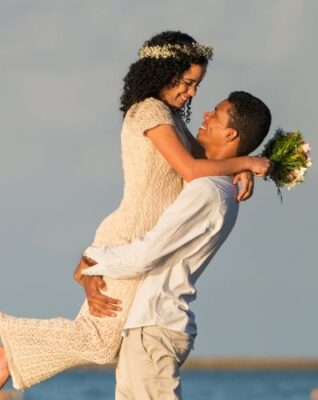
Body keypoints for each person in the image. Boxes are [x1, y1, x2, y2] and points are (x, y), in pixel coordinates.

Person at [0, 31, 268, 390]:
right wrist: (248, 161)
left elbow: (208, 159)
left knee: (102, 342)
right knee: (97, 340)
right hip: (130, 234)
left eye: (196, 86)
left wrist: (241, 168)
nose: (191, 94)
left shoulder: (173, 121)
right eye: (187, 83)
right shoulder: (150, 111)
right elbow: (190, 169)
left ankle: (6, 358)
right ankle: (4, 343)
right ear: (165, 72)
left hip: (142, 241)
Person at [77, 91, 271, 399]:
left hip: (155, 327)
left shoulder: (208, 190)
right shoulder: (217, 186)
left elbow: (146, 254)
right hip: (151, 326)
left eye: (216, 115)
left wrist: (92, 258)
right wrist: (243, 165)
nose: (205, 115)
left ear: (230, 133)